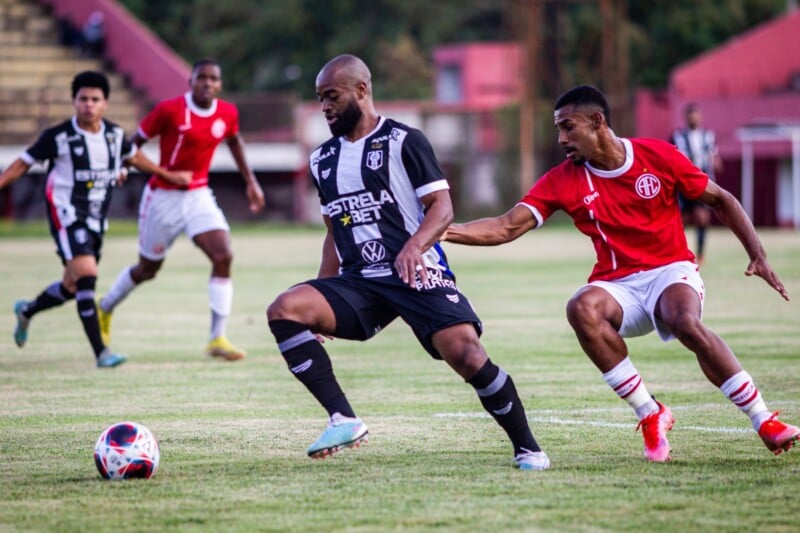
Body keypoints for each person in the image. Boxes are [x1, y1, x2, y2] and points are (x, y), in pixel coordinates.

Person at [444, 85, 799, 462]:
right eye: (558, 130)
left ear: (597, 122)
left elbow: (721, 199)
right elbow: (505, 226)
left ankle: (763, 419)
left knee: (684, 322)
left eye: (568, 127)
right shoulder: (563, 179)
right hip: (618, 285)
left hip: (671, 271)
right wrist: (443, 230)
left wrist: (757, 255)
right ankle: (650, 412)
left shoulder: (658, 156)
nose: (562, 138)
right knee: (581, 307)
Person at [266, 55, 549, 470]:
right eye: (320, 98)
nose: (325, 106)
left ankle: (528, 448)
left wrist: (416, 246)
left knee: (468, 356)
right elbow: (333, 231)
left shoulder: (404, 140)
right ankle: (343, 418)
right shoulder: (322, 160)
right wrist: (323, 288)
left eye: (332, 96)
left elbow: (442, 207)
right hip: (360, 282)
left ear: (361, 91)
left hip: (417, 273)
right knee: (285, 309)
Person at [0, 71, 190, 368]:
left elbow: (135, 157)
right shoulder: (58, 136)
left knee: (71, 288)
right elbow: (23, 163)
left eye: (95, 100)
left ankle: (27, 310)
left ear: (105, 104)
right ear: (74, 102)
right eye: (83, 99)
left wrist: (168, 175)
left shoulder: (114, 137)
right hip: (66, 215)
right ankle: (101, 353)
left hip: (96, 220)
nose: (88, 105)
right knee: (87, 276)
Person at [97, 59, 265, 361]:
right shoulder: (169, 110)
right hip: (163, 198)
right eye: (202, 78)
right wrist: (122, 167)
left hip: (199, 195)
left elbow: (234, 139)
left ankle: (218, 338)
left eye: (214, 79)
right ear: (191, 81)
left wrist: (251, 182)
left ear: (220, 84)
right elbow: (135, 143)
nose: (208, 84)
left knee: (223, 255)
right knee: (147, 270)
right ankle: (105, 307)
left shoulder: (227, 112)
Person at [670, 103, 722, 265]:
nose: (693, 118)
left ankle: (700, 255)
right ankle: (677, 253)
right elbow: (670, 157)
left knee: (702, 218)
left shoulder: (708, 135)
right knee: (679, 219)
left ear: (700, 117)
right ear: (686, 117)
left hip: (702, 182)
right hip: (683, 183)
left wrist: (715, 163)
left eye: (696, 115)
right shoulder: (677, 136)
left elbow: (714, 156)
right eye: (690, 115)